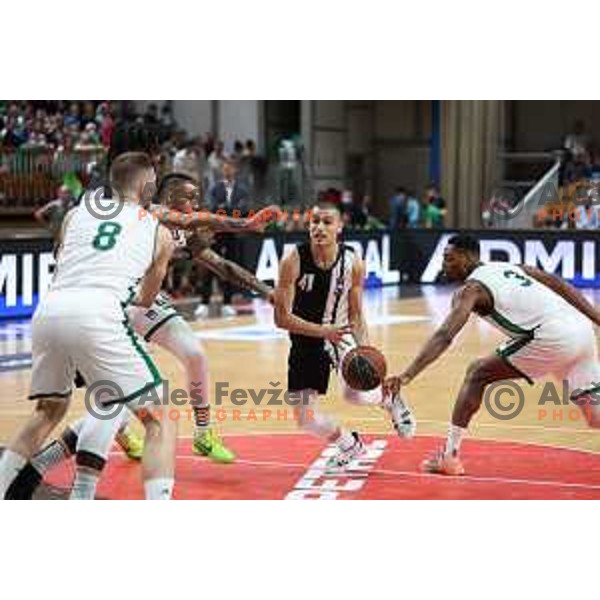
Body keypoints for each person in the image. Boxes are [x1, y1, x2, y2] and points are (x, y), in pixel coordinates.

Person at [6, 173, 278, 499]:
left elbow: (221, 264)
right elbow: (199, 218)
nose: (195, 202)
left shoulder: (179, 229)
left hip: (138, 302)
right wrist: (246, 224)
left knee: (193, 354)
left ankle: (203, 431)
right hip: (115, 305)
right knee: (121, 404)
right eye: (189, 196)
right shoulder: (147, 214)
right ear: (167, 197)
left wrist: (266, 291)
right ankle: (69, 476)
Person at [0, 152, 178, 500]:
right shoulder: (159, 230)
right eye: (153, 182)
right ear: (145, 185)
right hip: (98, 315)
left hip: (49, 311)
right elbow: (145, 298)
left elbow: (62, 258)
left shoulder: (73, 215)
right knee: (158, 418)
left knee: (48, 410)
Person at [384, 233, 600, 476]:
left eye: (448, 259)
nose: (443, 264)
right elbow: (558, 283)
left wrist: (407, 375)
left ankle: (449, 457)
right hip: (582, 332)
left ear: (466, 258)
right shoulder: (507, 267)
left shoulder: (471, 290)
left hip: (552, 337)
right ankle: (448, 456)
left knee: (477, 373)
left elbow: (445, 335)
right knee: (595, 416)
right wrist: (597, 318)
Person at [274, 202, 415, 469]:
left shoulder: (353, 262)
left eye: (327, 222)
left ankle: (389, 398)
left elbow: (357, 315)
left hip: (340, 335)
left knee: (357, 395)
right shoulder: (292, 260)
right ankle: (351, 444)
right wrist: (321, 331)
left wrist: (368, 353)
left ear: (340, 226)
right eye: (314, 221)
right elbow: (281, 319)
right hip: (305, 338)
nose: (319, 227)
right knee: (305, 420)